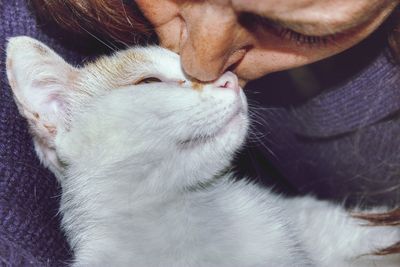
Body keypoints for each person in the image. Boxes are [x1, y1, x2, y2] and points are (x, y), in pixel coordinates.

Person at [1, 0, 400, 265]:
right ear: (59, 114)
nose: (213, 73)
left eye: (299, 31)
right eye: (149, 81)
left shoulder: (261, 210)